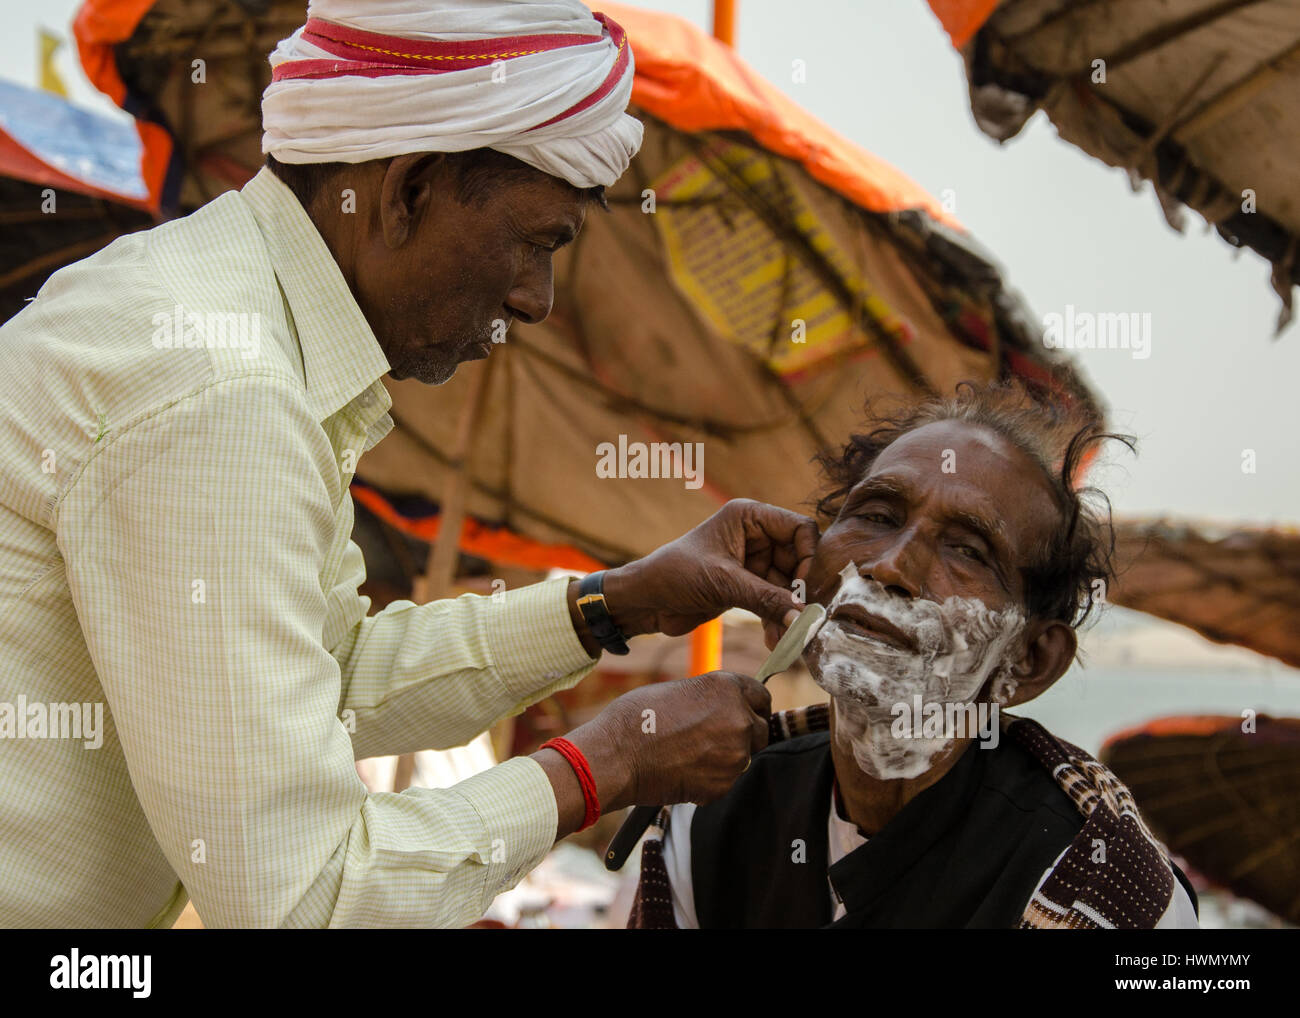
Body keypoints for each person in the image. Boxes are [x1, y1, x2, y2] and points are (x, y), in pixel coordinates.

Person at [0, 0, 819, 927]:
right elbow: (304, 899)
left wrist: (618, 603)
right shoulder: (226, 392)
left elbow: (332, 671)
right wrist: (605, 766)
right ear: (409, 193)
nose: (535, 299)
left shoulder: (233, 317)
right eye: (536, 244)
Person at [628, 382, 1201, 929]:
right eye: (876, 516)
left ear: (1028, 660)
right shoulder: (710, 810)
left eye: (968, 551)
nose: (890, 566)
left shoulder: (1097, 885)